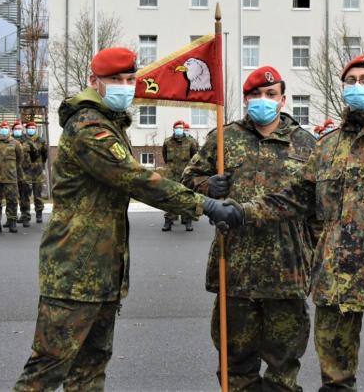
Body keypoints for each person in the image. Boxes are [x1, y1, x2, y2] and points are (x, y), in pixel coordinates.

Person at [13, 47, 238, 391]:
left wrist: (204, 190)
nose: (125, 85)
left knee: (90, 368)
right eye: (115, 79)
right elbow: (135, 178)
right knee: (47, 368)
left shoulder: (108, 123)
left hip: (102, 270)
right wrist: (204, 204)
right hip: (75, 270)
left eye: (130, 79)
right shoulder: (89, 127)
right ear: (94, 81)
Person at [221, 54, 364, 391]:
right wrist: (242, 210)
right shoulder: (327, 146)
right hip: (334, 284)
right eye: (351, 81)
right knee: (335, 382)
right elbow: (296, 197)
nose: (358, 86)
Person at [181, 65, 318, 391]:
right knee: (235, 368)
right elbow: (187, 182)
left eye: (270, 94)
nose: (263, 100)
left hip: (287, 273)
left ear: (283, 99)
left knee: (283, 370)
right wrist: (208, 186)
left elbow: (318, 209)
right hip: (235, 271)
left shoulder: (306, 144)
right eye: (255, 94)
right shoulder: (224, 138)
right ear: (245, 99)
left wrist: (315, 258)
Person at [162, 120, 200, 232]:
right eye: (177, 127)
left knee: (187, 197)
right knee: (170, 197)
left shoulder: (190, 142)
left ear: (183, 129)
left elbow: (194, 158)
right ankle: (168, 220)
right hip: (172, 174)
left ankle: (188, 220)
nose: (179, 129)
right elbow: (165, 157)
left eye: (181, 127)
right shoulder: (167, 141)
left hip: (186, 175)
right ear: (173, 129)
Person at [0, 121, 25, 234]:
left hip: (10, 177)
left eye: (6, 127)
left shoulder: (16, 143)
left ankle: (12, 222)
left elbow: (20, 158)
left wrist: (12, 168)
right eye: (2, 127)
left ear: (9, 129)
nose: (4, 129)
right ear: (0, 129)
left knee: (12, 200)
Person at [12, 121, 39, 228]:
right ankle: (12, 218)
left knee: (25, 195)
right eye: (16, 128)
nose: (18, 130)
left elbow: (35, 154)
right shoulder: (9, 140)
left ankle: (26, 217)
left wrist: (28, 164)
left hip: (25, 173)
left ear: (22, 130)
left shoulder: (28, 141)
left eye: (19, 128)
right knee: (13, 196)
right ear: (12, 130)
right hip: (12, 172)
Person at [24, 121, 48, 223]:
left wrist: (41, 164)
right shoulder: (23, 140)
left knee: (38, 195)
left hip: (38, 172)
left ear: (35, 129)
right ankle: (26, 215)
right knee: (25, 195)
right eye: (29, 128)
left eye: (33, 128)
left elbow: (45, 155)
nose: (31, 129)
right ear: (26, 129)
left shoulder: (41, 140)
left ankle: (39, 214)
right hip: (26, 172)